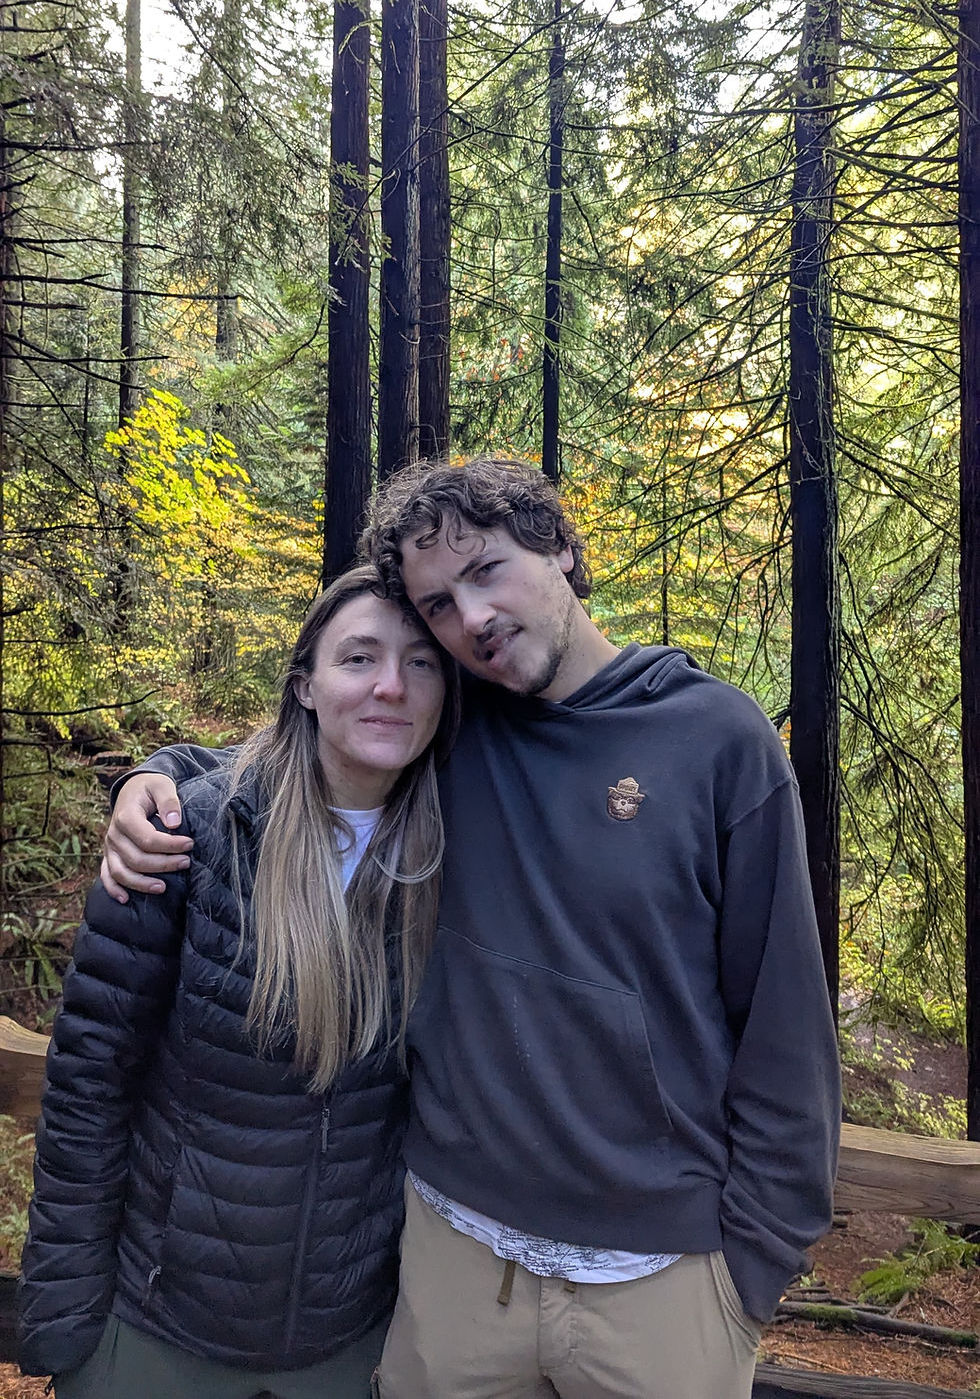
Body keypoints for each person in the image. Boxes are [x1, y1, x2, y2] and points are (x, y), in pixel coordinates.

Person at [102, 458, 841, 1399]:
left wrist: (754, 1270)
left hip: (662, 1277)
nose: (471, 618)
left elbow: (784, 1028)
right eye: (439, 605)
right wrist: (149, 775)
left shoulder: (718, 742)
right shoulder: (455, 723)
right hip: (452, 1260)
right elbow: (308, 747)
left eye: (485, 570)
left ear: (562, 549)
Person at [19, 566, 458, 1399]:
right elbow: (87, 1089)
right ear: (305, 687)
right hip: (157, 1328)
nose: (391, 686)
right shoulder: (185, 837)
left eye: (423, 663)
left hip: (350, 1339)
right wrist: (66, 1322)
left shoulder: (455, 853)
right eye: (358, 658)